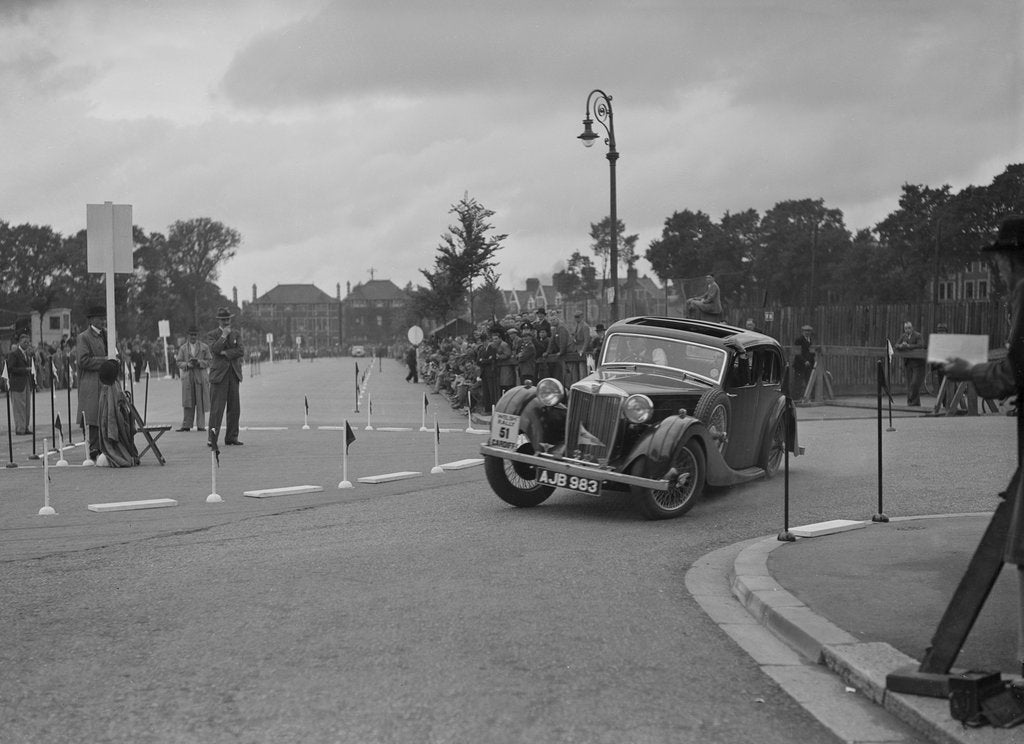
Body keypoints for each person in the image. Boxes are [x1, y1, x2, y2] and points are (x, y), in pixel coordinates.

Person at [942, 215, 1024, 677]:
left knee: (1021, 548)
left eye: (999, 263)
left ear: (1013, 261)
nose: (996, 272)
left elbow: (1013, 373)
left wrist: (967, 371)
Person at [207, 307, 245, 447]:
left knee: (234, 408)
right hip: (219, 376)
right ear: (219, 321)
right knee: (217, 409)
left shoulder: (236, 334)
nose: (226, 322)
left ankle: (231, 437)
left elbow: (241, 350)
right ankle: (212, 438)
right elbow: (215, 349)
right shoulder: (212, 334)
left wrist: (226, 353)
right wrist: (223, 336)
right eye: (223, 320)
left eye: (227, 319)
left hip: (233, 374)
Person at [76, 306, 109, 461]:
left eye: (103, 317)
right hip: (90, 384)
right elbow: (83, 360)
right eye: (99, 317)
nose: (102, 320)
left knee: (104, 414)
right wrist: (105, 361)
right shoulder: (83, 337)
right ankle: (93, 447)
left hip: (104, 382)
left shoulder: (106, 335)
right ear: (91, 320)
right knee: (91, 417)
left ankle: (103, 446)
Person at [175, 326, 212, 432]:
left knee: (200, 401)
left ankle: (201, 425)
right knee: (188, 401)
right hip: (188, 377)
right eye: (191, 334)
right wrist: (187, 364)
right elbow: (178, 362)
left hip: (200, 377)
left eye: (195, 334)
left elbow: (209, 360)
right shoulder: (183, 348)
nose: (193, 337)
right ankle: (186, 425)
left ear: (197, 335)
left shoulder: (204, 347)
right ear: (188, 335)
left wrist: (200, 362)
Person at [6, 331, 34, 435]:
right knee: (19, 407)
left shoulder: (27, 354)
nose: (27, 344)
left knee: (26, 406)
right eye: (24, 342)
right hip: (17, 384)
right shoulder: (14, 354)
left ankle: (25, 427)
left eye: (28, 342)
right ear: (19, 343)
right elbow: (11, 368)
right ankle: (20, 428)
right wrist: (25, 369)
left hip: (26, 383)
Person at [895, 320, 926, 406]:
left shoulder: (918, 335)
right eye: (905, 328)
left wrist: (909, 346)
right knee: (909, 384)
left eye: (909, 328)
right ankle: (912, 403)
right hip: (908, 362)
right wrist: (901, 346)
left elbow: (921, 345)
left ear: (912, 328)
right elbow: (896, 345)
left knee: (914, 383)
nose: (907, 330)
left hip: (918, 363)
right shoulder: (903, 336)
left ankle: (913, 401)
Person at [792, 324, 816, 399]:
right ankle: (796, 398)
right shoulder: (798, 340)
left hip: (809, 365)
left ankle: (810, 397)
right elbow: (797, 353)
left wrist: (811, 361)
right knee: (798, 382)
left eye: (809, 331)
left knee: (809, 381)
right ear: (803, 332)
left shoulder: (811, 340)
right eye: (806, 331)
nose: (807, 332)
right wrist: (804, 361)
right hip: (800, 364)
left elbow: (812, 352)